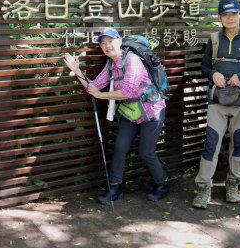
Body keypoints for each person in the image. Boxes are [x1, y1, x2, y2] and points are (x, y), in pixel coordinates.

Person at [63, 27, 168, 205]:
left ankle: (162, 184)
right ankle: (115, 188)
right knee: (119, 148)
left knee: (146, 152)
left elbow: (128, 91)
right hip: (130, 112)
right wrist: (77, 70)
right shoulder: (111, 64)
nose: (106, 46)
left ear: (119, 41)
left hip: (152, 110)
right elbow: (94, 86)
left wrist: (100, 95)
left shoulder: (132, 60)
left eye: (110, 41)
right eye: (103, 43)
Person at [192, 0, 240, 209]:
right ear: (220, 18)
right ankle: (203, 187)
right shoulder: (214, 40)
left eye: (233, 14)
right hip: (217, 101)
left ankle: (233, 184)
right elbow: (204, 67)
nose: (230, 18)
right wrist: (213, 73)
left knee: (239, 145)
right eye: (225, 15)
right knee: (211, 144)